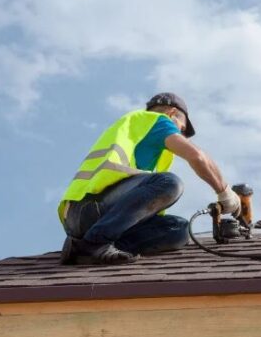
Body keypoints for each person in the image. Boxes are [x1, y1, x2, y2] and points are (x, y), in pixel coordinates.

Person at [58, 92, 240, 265]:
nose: (180, 134)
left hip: (95, 216)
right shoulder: (156, 121)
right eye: (181, 128)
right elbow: (197, 156)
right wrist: (225, 193)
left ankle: (86, 250)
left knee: (179, 229)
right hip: (86, 209)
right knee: (170, 183)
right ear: (172, 113)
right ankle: (94, 244)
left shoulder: (140, 134)